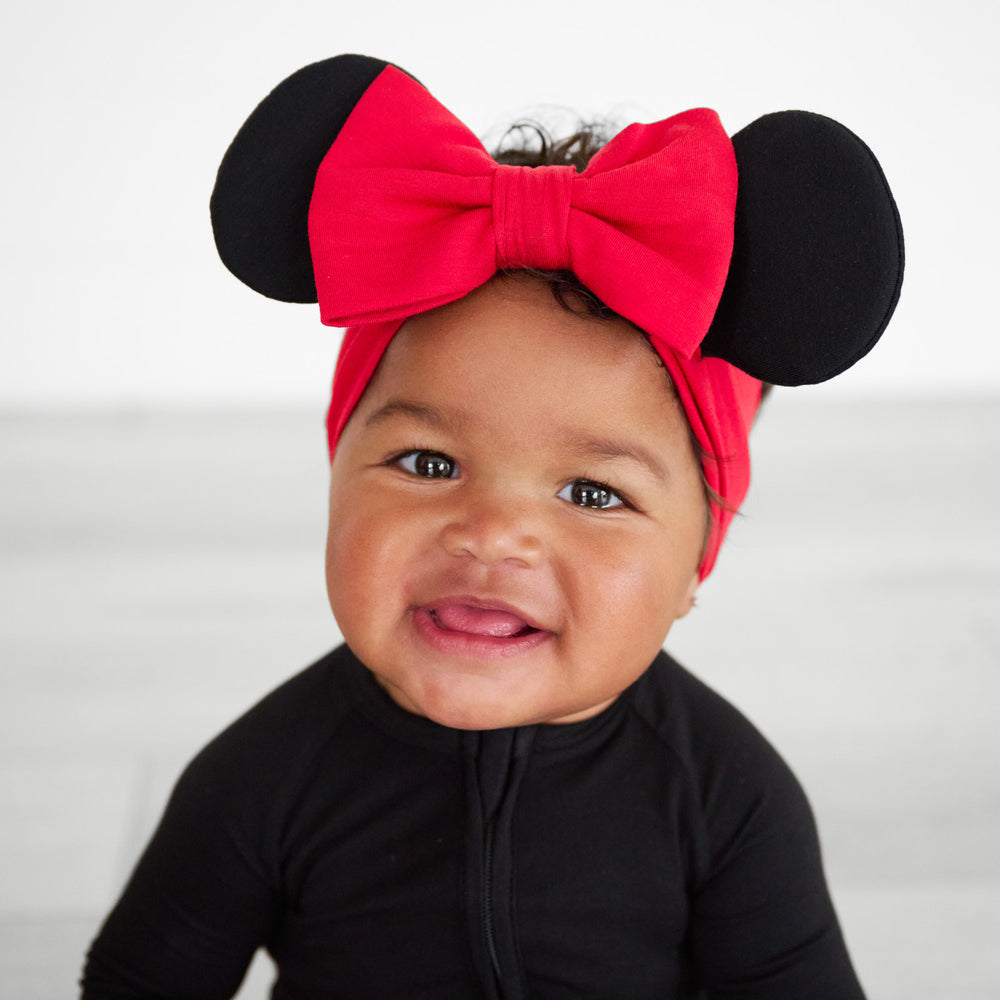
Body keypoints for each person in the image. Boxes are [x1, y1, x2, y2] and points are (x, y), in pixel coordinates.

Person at [80, 55, 903, 999]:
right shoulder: (263, 781)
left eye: (593, 493)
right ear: (339, 474)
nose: (493, 533)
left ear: (695, 564)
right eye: (429, 464)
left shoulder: (726, 797)